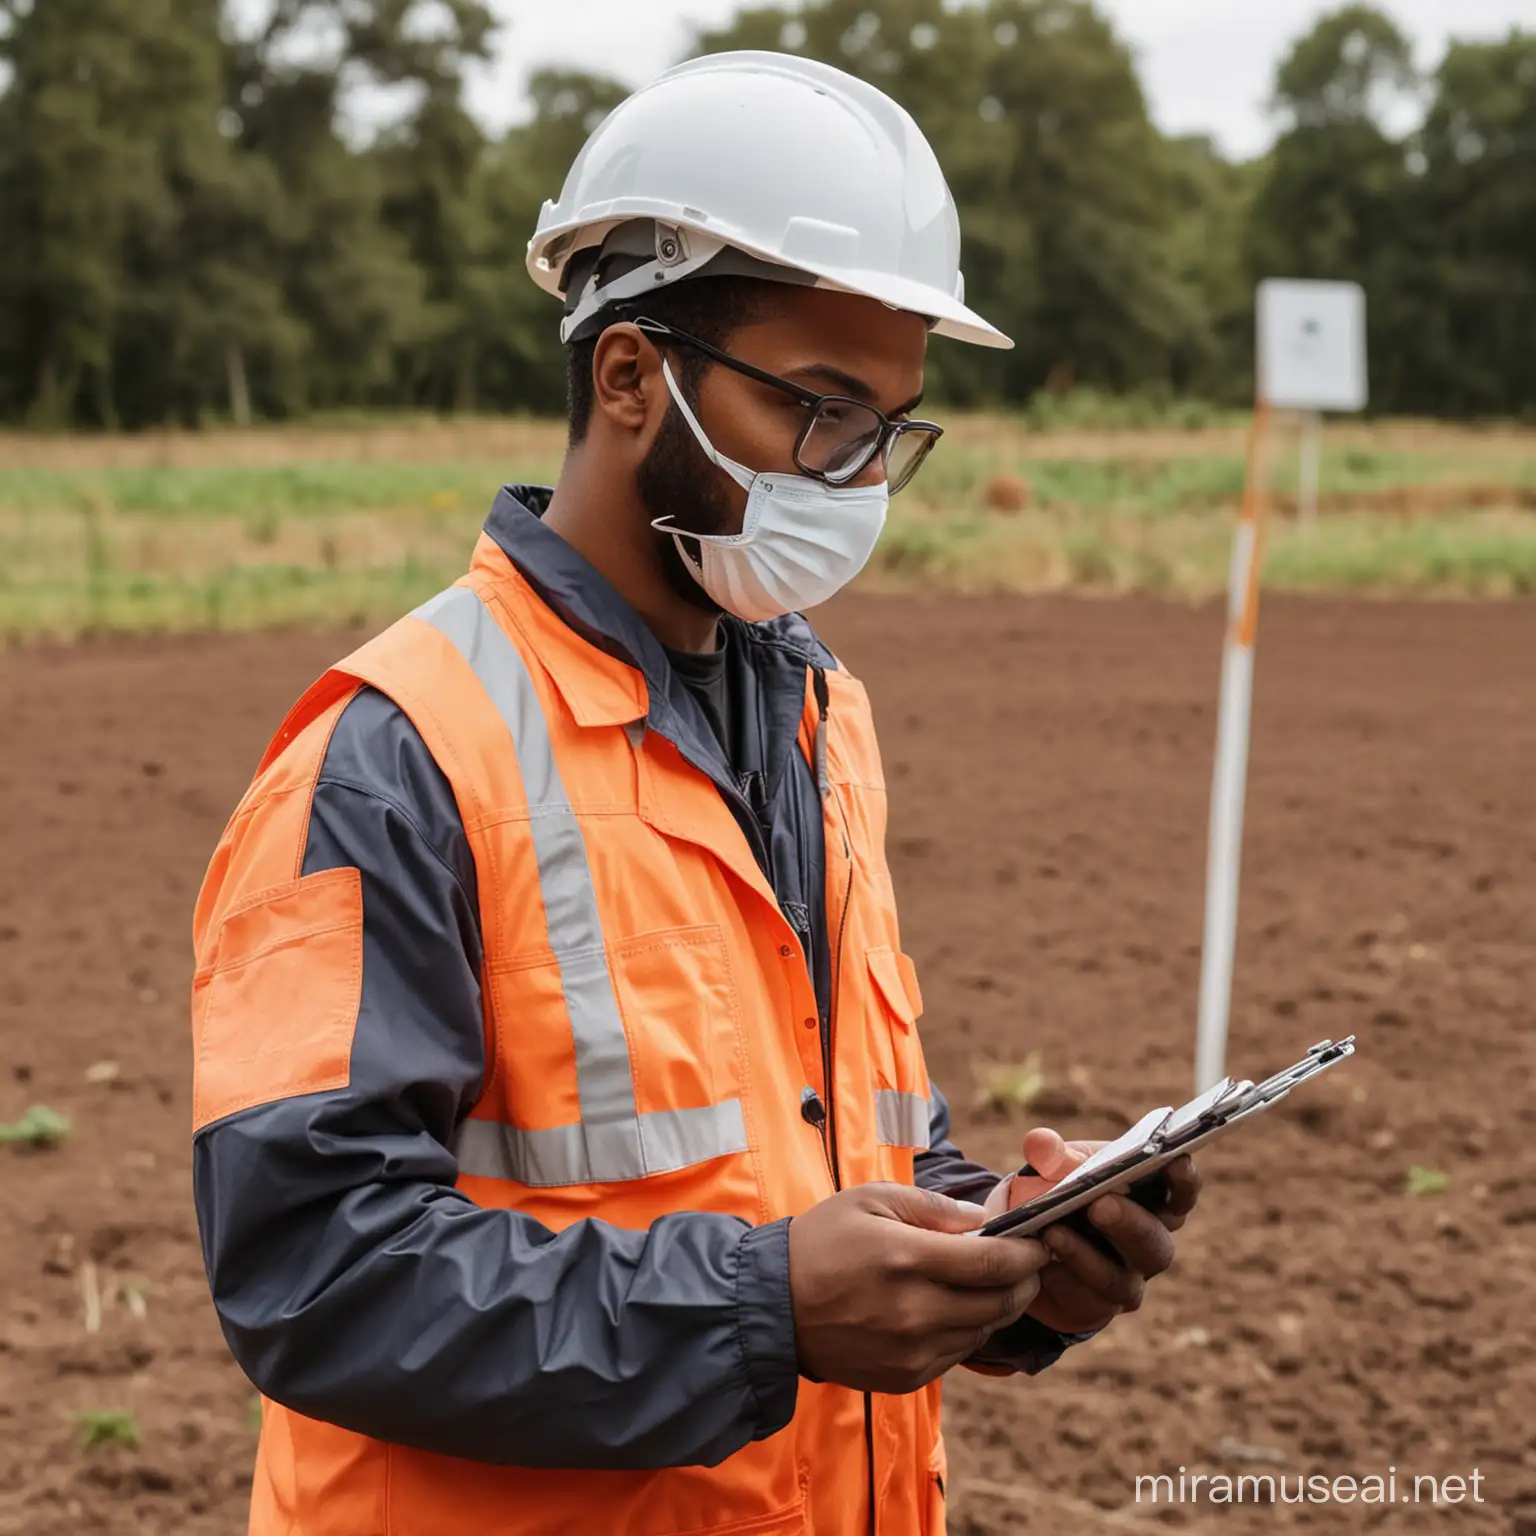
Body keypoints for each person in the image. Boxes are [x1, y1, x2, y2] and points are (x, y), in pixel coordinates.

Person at [189, 51, 1199, 1536]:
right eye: (825, 410)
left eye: (890, 433)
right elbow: (315, 1276)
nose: (856, 481)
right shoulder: (394, 754)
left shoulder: (817, 717)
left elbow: (825, 1144)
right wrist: (762, 1306)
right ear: (628, 374)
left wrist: (1004, 1257)